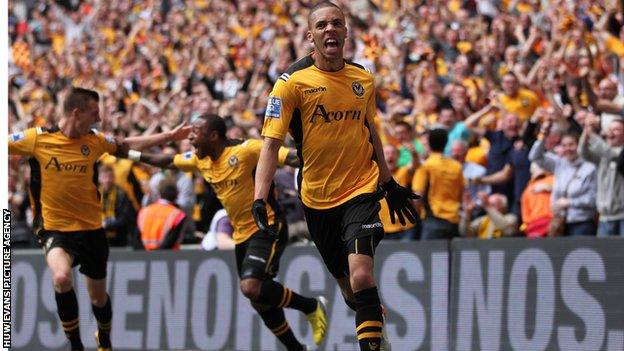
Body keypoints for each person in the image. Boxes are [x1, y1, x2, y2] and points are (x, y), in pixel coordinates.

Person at [252, 3, 419, 350]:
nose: (330, 29)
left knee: (361, 275)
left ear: (345, 32)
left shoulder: (362, 78)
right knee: (349, 289)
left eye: (337, 24)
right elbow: (270, 145)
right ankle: (374, 323)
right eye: (322, 25)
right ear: (310, 35)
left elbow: (371, 130)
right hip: (316, 199)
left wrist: (386, 181)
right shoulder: (291, 84)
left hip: (361, 189)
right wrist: (259, 196)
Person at [7, 87, 190, 351]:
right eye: (94, 113)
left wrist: (169, 135)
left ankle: (103, 337)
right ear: (76, 113)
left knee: (99, 299)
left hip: (91, 230)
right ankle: (76, 345)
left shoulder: (93, 140)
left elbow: (126, 145)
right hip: (54, 229)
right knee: (61, 278)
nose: (100, 118)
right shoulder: (37, 138)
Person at [129, 114, 327, 351]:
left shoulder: (246, 150)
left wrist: (325, 152)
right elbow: (167, 161)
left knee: (250, 287)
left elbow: (289, 156)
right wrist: (128, 152)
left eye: (196, 131)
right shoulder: (201, 160)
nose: (190, 136)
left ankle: (311, 306)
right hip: (241, 235)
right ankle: (296, 348)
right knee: (258, 300)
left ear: (213, 136)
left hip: (267, 228)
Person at [529, 123, 598, 236]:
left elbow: (593, 199)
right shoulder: (559, 163)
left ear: (579, 145)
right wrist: (543, 136)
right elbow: (534, 157)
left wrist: (570, 203)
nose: (568, 149)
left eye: (571, 145)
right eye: (564, 145)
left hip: (581, 223)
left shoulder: (590, 168)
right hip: (560, 223)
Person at [413, 129, 464, 240]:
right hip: (454, 219)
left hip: (433, 220)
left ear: (429, 143)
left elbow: (417, 195)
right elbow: (461, 193)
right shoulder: (457, 166)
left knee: (431, 256)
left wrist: (416, 218)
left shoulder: (426, 166)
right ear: (446, 143)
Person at [579, 118, 624, 236]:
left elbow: (610, 153)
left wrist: (592, 134)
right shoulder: (602, 154)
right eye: (610, 129)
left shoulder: (619, 152)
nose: (611, 133)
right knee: (606, 254)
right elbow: (583, 152)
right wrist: (586, 131)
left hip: (622, 216)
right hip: (605, 218)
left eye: (616, 130)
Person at [137, 179, 188, 250]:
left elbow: (136, 239)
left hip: (144, 257)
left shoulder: (144, 211)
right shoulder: (178, 215)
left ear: (159, 194)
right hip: (168, 258)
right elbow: (170, 242)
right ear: (177, 195)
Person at [98, 164, 135, 247]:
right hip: (99, 235)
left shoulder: (121, 194)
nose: (107, 180)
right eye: (104, 177)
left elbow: (125, 216)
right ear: (99, 178)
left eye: (110, 177)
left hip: (118, 236)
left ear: (114, 178)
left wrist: (107, 224)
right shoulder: (95, 193)